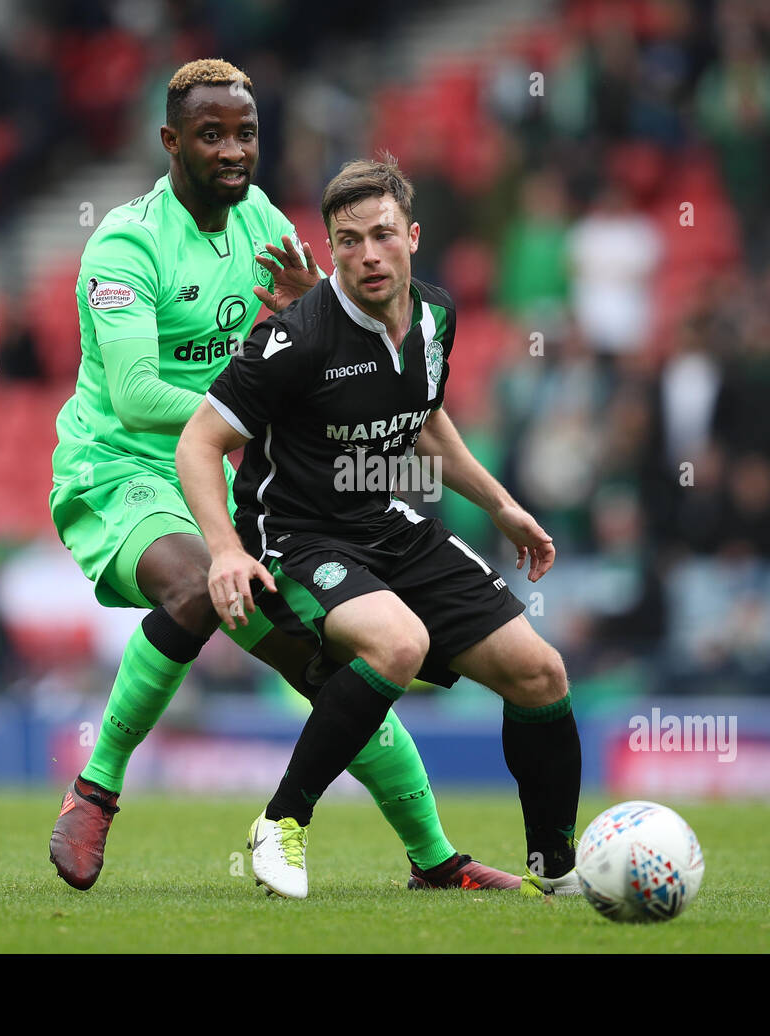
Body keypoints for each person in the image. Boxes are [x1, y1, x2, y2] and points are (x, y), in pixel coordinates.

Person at [47, 60, 518, 892]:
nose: (235, 151)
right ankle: (96, 788)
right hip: (118, 470)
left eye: (247, 134)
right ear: (170, 141)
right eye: (212, 135)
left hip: (222, 476)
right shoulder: (125, 244)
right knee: (198, 585)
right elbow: (134, 392)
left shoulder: (261, 218)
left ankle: (435, 859)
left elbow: (313, 322)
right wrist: (267, 399)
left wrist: (317, 307)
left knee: (335, 669)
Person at [178, 156, 582, 899]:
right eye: (349, 241)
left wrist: (500, 504)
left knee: (541, 673)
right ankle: (282, 819)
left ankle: (556, 872)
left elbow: (423, 418)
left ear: (414, 236)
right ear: (330, 248)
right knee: (399, 643)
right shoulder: (295, 339)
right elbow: (199, 440)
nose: (367, 255)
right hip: (294, 535)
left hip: (383, 522)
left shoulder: (436, 316)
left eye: (382, 236)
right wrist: (226, 552)